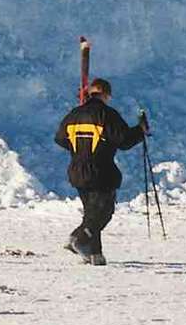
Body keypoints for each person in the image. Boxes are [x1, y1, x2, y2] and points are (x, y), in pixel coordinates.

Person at [54, 77, 147, 266]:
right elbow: (124, 141)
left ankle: (94, 254)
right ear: (106, 95)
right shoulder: (107, 114)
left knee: (91, 212)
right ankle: (79, 237)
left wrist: (79, 148)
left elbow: (60, 138)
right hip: (100, 171)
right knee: (104, 212)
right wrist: (140, 130)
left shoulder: (74, 114)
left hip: (77, 170)